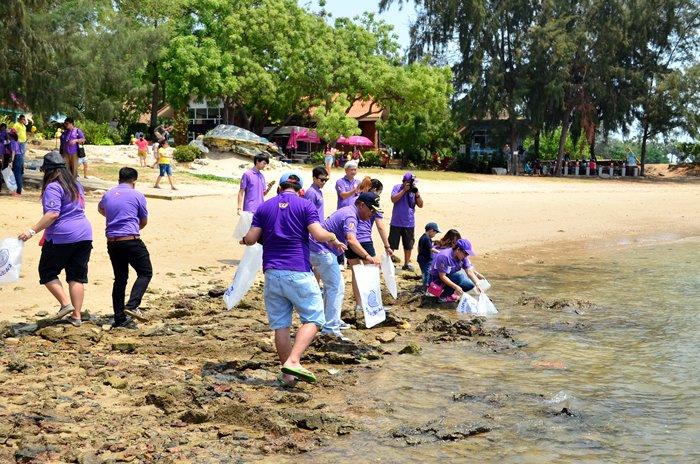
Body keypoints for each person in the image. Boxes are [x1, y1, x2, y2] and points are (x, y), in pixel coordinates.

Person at [241, 173, 346, 385]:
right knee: (316, 318)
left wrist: (243, 239)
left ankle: (288, 377)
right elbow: (318, 234)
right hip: (297, 270)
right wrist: (334, 238)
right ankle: (294, 361)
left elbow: (251, 239)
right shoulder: (305, 205)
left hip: (272, 272)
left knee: (281, 325)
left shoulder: (264, 207)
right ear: (299, 189)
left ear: (279, 188)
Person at [17, 151, 93, 326]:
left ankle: (65, 304)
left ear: (48, 170)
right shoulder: (76, 184)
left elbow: (52, 214)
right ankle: (77, 316)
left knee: (47, 271)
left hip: (63, 235)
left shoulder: (53, 186)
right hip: (85, 234)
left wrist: (31, 231)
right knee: (77, 276)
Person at [309, 192, 382, 339]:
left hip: (315, 248)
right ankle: (330, 329)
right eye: (371, 210)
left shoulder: (349, 212)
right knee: (337, 287)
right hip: (320, 250)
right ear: (361, 205)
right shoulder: (350, 216)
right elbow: (352, 240)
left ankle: (328, 322)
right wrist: (368, 257)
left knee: (332, 287)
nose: (372, 214)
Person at [98, 167, 152, 329]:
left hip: (112, 242)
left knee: (120, 279)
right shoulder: (137, 195)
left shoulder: (108, 193)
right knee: (145, 272)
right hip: (131, 240)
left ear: (119, 179)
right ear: (134, 182)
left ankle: (119, 317)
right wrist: (130, 226)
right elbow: (143, 221)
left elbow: (101, 208)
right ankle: (132, 305)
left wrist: (114, 218)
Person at [347, 179, 392, 314]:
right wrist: (387, 245)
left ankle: (359, 305)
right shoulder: (374, 204)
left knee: (356, 272)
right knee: (372, 272)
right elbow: (380, 226)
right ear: (375, 191)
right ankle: (373, 304)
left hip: (350, 239)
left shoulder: (355, 200)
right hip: (364, 240)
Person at [428, 238, 484, 303]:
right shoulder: (444, 256)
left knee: (469, 285)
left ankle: (450, 295)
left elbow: (469, 271)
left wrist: (477, 283)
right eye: (465, 253)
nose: (467, 256)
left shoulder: (463, 257)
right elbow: (442, 276)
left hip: (449, 276)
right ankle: (443, 296)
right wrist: (456, 287)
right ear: (458, 250)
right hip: (436, 278)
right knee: (459, 277)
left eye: (468, 254)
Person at [389, 172, 424, 271]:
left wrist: (417, 194)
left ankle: (406, 264)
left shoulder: (414, 190)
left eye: (413, 183)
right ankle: (389, 262)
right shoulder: (397, 187)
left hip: (409, 223)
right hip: (396, 222)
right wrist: (404, 190)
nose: (413, 185)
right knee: (392, 244)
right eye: (411, 183)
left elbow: (421, 205)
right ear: (404, 182)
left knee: (408, 245)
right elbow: (393, 199)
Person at [417, 222, 441, 289]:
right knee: (426, 274)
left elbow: (419, 247)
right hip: (425, 260)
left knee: (426, 273)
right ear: (431, 230)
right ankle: (424, 287)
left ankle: (425, 285)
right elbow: (432, 249)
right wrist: (440, 253)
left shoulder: (424, 237)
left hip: (422, 258)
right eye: (435, 232)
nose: (435, 234)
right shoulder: (426, 239)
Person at [9, 130, 23, 195]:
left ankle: (18, 191)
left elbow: (13, 152)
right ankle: (19, 190)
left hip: (16, 158)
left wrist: (11, 161)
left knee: (17, 175)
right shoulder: (17, 142)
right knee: (19, 174)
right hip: (20, 157)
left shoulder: (12, 142)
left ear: (11, 136)